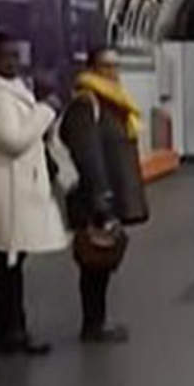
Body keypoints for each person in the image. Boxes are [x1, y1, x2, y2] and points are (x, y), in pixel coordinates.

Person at [0, 32, 69, 354]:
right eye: (6, 56)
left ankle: (13, 328)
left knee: (12, 257)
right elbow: (13, 140)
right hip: (4, 186)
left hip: (14, 184)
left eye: (15, 55)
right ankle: (7, 330)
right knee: (4, 257)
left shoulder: (10, 91)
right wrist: (46, 111)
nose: (13, 62)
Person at [59, 46, 150, 342]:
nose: (112, 72)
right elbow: (86, 153)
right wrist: (101, 196)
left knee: (103, 260)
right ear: (91, 69)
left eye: (115, 66)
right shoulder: (87, 103)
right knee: (93, 260)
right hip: (96, 195)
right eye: (105, 66)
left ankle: (97, 320)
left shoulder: (115, 102)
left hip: (108, 191)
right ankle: (93, 324)